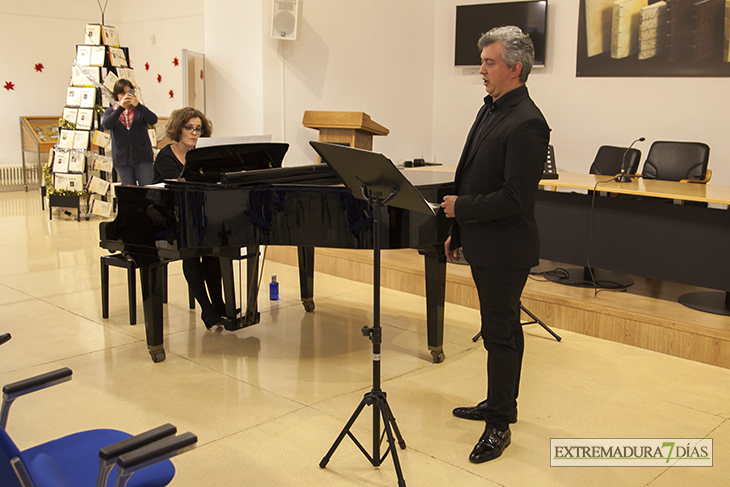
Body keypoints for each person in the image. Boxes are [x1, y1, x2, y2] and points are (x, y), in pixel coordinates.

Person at [441, 26, 550, 464]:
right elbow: (473, 171)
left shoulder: (528, 121)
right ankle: (501, 403)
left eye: (489, 62)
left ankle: (499, 425)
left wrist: (460, 208)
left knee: (500, 335)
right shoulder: (491, 108)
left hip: (507, 249)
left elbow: (516, 197)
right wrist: (458, 230)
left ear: (515, 68)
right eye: (482, 61)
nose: (481, 69)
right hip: (484, 242)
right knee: (499, 331)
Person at [154, 107, 226, 329]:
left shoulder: (201, 155)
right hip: (167, 217)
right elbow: (175, 189)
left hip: (196, 213)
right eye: (190, 128)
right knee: (192, 251)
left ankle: (219, 304)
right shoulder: (166, 156)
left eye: (198, 129)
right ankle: (207, 309)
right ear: (179, 128)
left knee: (215, 249)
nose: (194, 133)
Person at [101, 79, 158, 186]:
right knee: (129, 194)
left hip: (143, 158)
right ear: (116, 95)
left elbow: (153, 120)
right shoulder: (111, 111)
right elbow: (107, 125)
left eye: (129, 93)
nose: (126, 96)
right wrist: (120, 108)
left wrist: (139, 105)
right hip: (122, 159)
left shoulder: (139, 111)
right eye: (122, 93)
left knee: (148, 191)